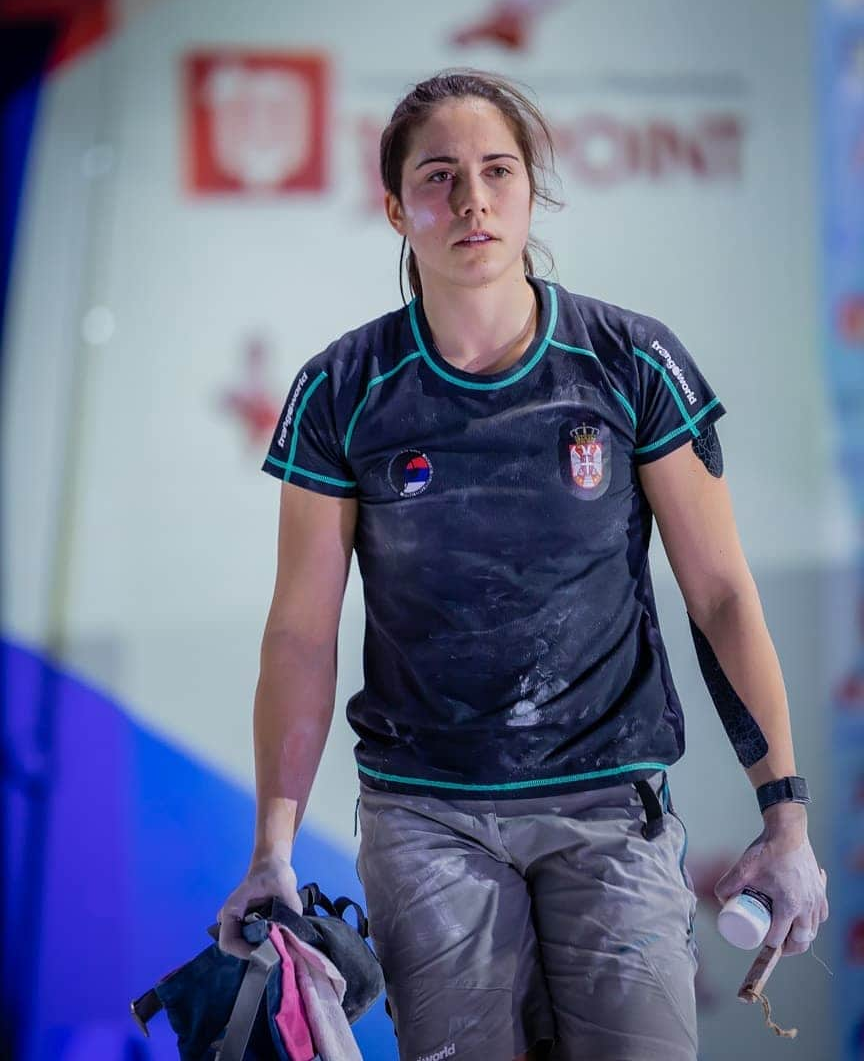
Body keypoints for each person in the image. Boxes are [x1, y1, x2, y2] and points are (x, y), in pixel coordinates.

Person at [217, 68, 829, 1061]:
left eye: (498, 171)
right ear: (393, 206)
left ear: (532, 191)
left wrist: (786, 820)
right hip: (427, 816)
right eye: (439, 176)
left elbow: (718, 596)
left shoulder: (632, 362)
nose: (472, 201)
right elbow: (299, 634)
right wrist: (271, 851)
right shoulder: (341, 389)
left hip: (609, 803)